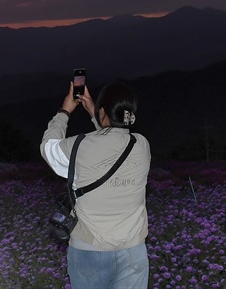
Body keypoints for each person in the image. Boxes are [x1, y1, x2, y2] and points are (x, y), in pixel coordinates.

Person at [40, 80, 151, 289]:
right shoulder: (142, 145)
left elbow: (48, 148)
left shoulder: (78, 147)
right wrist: (95, 112)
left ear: (103, 113)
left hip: (89, 252)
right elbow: (114, 135)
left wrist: (65, 111)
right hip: (133, 251)